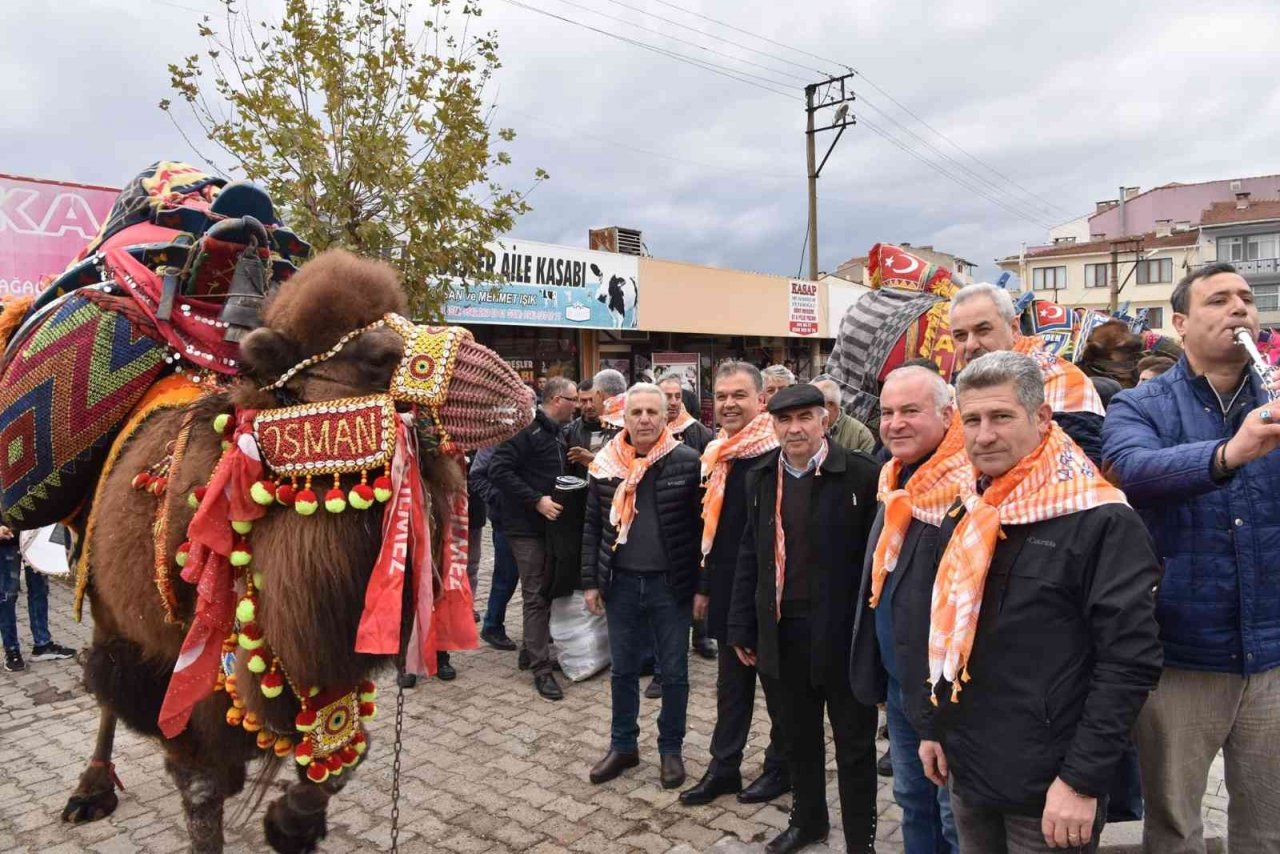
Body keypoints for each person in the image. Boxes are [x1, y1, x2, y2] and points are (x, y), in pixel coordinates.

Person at [918, 351, 1162, 853]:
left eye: (1001, 417)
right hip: (969, 767)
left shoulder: (1100, 519)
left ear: (1042, 418)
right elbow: (947, 637)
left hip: (1049, 788)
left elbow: (1129, 662)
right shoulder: (967, 508)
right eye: (972, 420)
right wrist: (936, 727)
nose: (984, 435)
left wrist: (1081, 781)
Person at [1103, 263, 1280, 854]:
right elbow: (1132, 471)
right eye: (1219, 300)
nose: (1240, 310)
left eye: (1247, 300)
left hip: (1273, 651)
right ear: (1180, 322)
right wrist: (1231, 452)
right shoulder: (1142, 403)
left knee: (1267, 826)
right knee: (1176, 826)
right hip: (1181, 652)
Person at [729, 384, 881, 854]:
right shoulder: (759, 477)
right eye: (784, 420)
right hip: (783, 632)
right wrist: (741, 624)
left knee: (854, 747)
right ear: (772, 425)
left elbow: (876, 564)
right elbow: (749, 554)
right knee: (798, 737)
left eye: (804, 418)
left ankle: (861, 840)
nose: (794, 429)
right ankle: (809, 819)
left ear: (824, 420)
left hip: (841, 636)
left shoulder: (860, 475)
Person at [850, 365, 965, 853]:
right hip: (901, 686)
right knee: (912, 801)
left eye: (910, 411)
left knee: (953, 817)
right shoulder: (895, 479)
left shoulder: (970, 487)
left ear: (946, 414)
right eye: (888, 412)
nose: (894, 423)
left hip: (951, 696)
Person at [680, 362, 791, 808]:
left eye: (739, 395)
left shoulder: (777, 455)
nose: (728, 403)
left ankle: (781, 768)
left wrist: (753, 612)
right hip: (728, 592)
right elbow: (712, 529)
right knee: (731, 690)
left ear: (760, 400)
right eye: (722, 396)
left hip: (772, 599)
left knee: (779, 691)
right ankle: (723, 768)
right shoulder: (720, 454)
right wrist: (705, 586)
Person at [582, 383, 702, 789]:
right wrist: (590, 582)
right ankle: (623, 746)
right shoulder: (604, 464)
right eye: (638, 413)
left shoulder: (688, 462)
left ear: (667, 416)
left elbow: (703, 531)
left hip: (670, 586)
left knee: (675, 672)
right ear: (624, 417)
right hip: (620, 584)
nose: (646, 419)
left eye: (654, 411)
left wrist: (702, 587)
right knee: (623, 671)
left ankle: (671, 750)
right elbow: (593, 527)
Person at [489, 377, 578, 701]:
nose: (577, 405)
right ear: (556, 400)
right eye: (573, 399)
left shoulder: (558, 432)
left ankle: (530, 649)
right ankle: (542, 669)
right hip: (524, 527)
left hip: (550, 527)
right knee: (536, 593)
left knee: (547, 587)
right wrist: (535, 499)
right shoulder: (524, 429)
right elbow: (498, 470)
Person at [949, 283, 1106, 464]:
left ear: (1014, 328)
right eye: (960, 336)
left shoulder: (1060, 378)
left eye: (983, 330)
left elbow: (1075, 465)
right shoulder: (954, 389)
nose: (970, 345)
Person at [1, 526, 76, 671]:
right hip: (6, 541)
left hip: (36, 537)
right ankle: (11, 651)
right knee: (7, 596)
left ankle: (43, 645)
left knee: (39, 590)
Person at [470, 446, 522, 653]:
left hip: (540, 517)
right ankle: (492, 625)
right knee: (506, 576)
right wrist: (498, 499)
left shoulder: (547, 430)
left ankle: (540, 632)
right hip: (506, 520)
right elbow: (477, 475)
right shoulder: (498, 437)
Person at [812, 377, 876, 453]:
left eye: (815, 404)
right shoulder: (805, 427)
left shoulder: (860, 434)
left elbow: (870, 463)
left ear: (831, 405)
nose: (810, 409)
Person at [658, 373, 714, 452]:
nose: (674, 402)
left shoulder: (698, 432)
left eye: (678, 397)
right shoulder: (647, 427)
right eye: (667, 397)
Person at [563, 378, 608, 478]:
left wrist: (593, 461)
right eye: (583, 401)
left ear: (601, 398)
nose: (588, 406)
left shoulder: (618, 429)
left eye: (592, 400)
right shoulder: (569, 431)